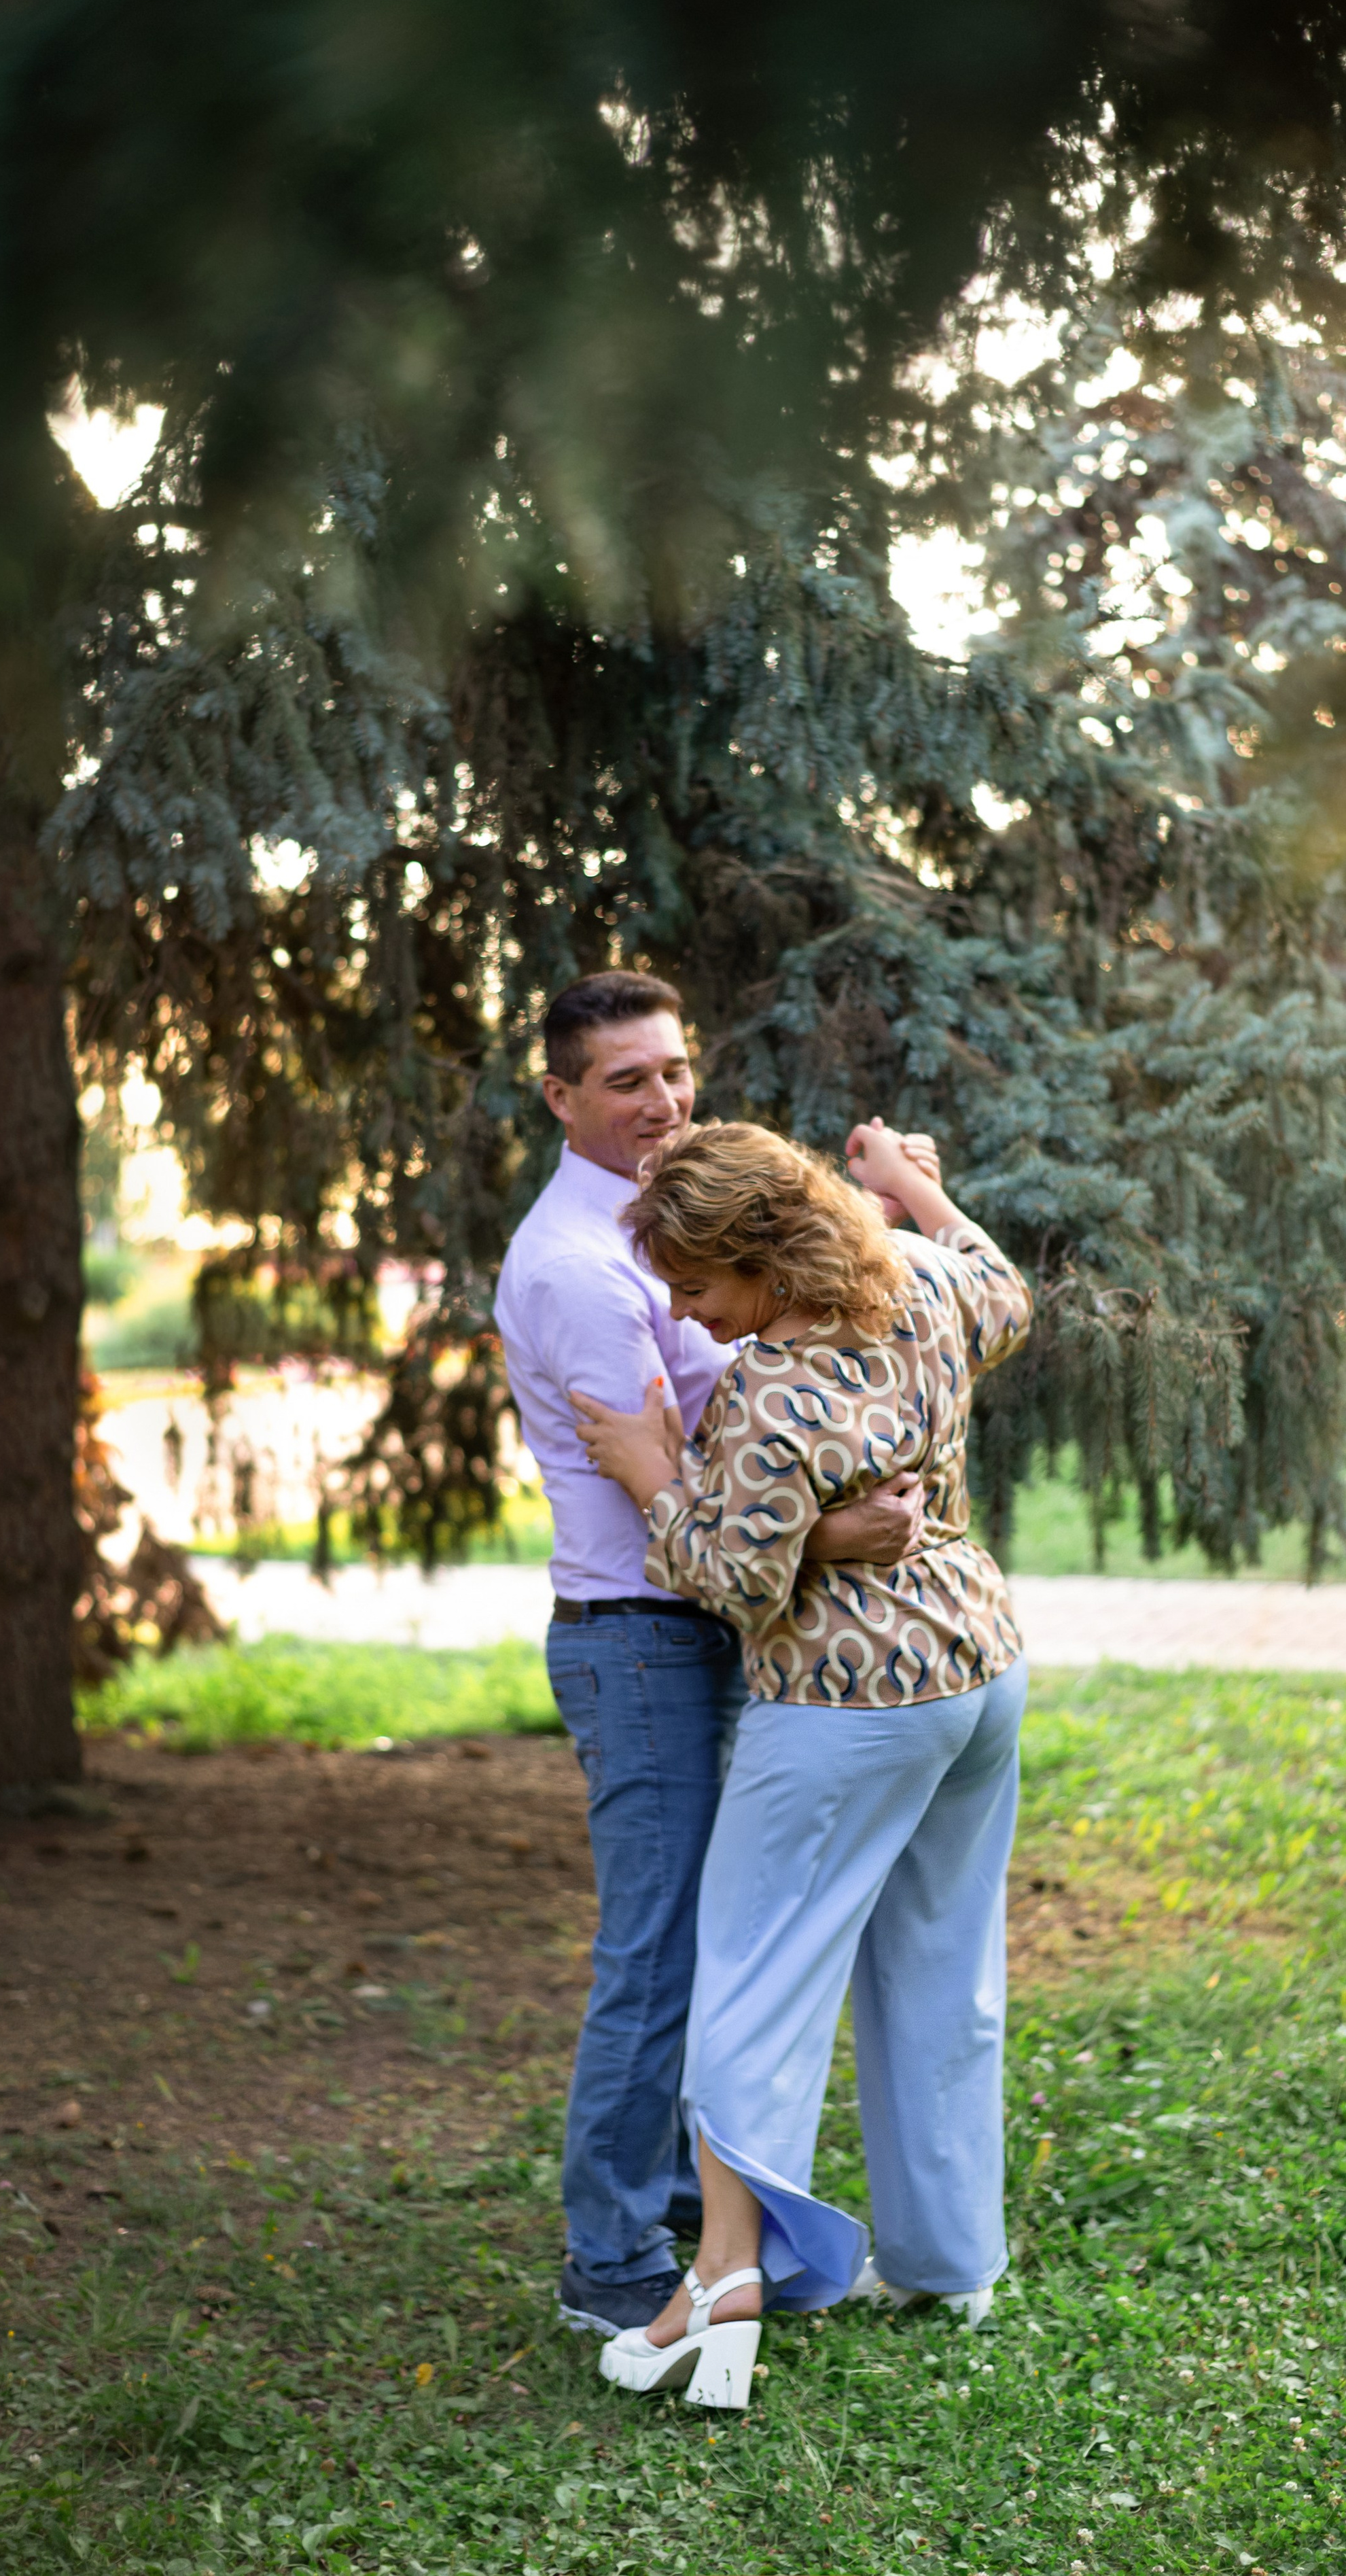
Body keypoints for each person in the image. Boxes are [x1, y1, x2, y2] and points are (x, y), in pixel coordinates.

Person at [493, 972, 932, 2338]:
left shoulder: (666, 1227)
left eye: (674, 1071)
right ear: (560, 1097)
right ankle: (608, 2259)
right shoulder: (573, 1268)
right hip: (640, 1640)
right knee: (658, 1949)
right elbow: (674, 1494)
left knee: (721, 1937)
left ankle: (704, 2217)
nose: (662, 1102)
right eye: (625, 1081)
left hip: (707, 1622)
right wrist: (833, 1534)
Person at [569, 1117, 1032, 2409]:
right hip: (979, 1671)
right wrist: (919, 1191)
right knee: (946, 1971)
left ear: (768, 1265)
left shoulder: (774, 1386)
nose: (688, 1314)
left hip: (846, 1698)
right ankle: (949, 2264)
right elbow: (1005, 1291)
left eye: (700, 1287)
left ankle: (723, 2284)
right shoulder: (919, 1276)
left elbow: (725, 1576)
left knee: (750, 1990)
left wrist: (654, 1473)